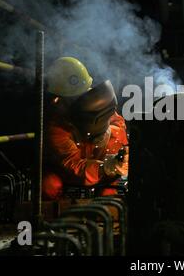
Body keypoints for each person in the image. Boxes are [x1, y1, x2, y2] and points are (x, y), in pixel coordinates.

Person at [42, 57, 128, 200]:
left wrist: (118, 159)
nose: (83, 98)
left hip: (97, 164)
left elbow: (117, 121)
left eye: (84, 93)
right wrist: (105, 167)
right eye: (75, 97)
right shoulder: (55, 124)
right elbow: (71, 165)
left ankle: (107, 216)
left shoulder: (94, 102)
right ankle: (61, 218)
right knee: (49, 185)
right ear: (60, 98)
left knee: (110, 192)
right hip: (68, 173)